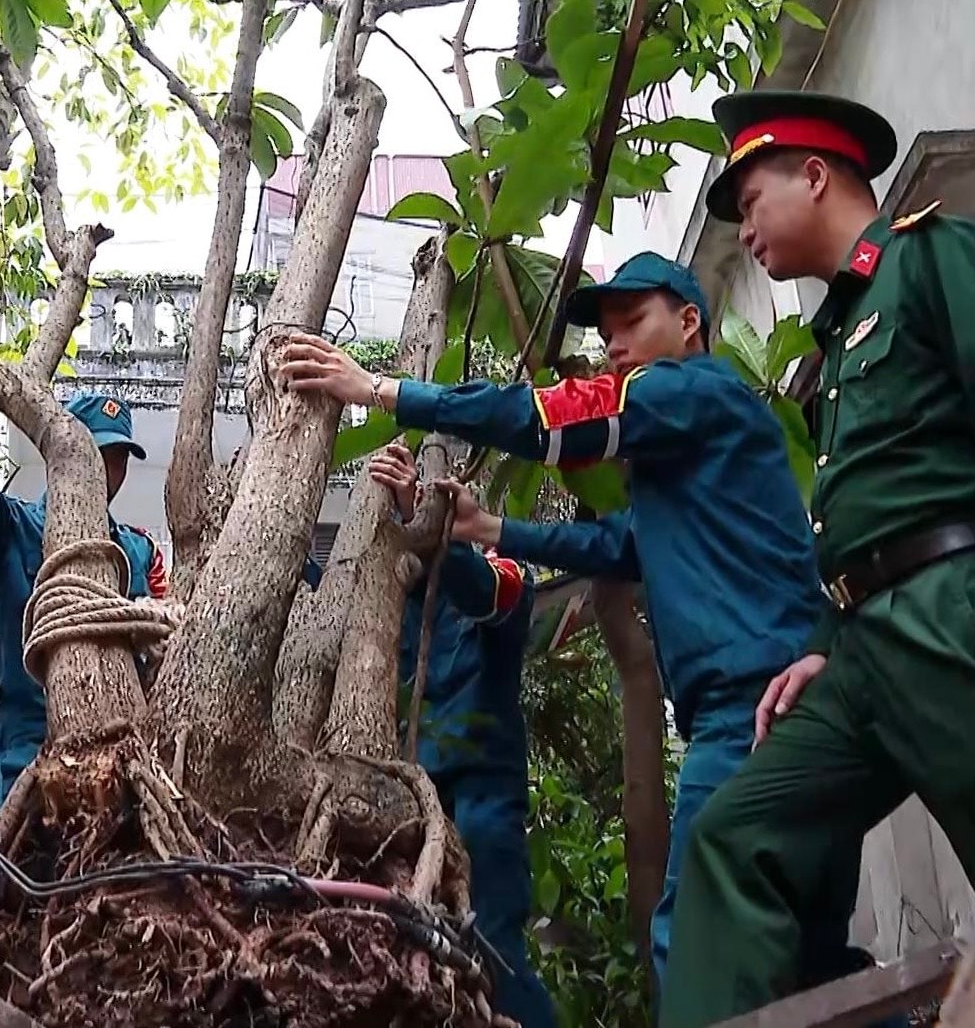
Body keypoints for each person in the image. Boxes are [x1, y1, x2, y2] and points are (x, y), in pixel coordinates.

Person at [278, 252, 870, 996]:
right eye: (607, 333)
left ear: (690, 322)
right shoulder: (689, 459)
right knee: (809, 959)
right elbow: (618, 545)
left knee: (696, 942)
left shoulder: (687, 390)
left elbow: (543, 419)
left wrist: (379, 389)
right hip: (785, 698)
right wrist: (491, 526)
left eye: (633, 323)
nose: (615, 345)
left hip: (752, 704)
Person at [656, 91, 975, 1025]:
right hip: (860, 654)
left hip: (954, 623)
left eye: (751, 203)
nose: (745, 232)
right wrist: (823, 644)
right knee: (734, 838)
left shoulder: (934, 256)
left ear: (815, 175)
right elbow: (855, 521)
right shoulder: (835, 340)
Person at [0, 316, 168, 809]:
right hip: (30, 750)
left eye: (119, 457)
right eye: (96, 453)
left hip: (128, 754)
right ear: (62, 456)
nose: (108, 468)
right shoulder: (11, 528)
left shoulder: (138, 552)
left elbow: (164, 644)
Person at [361, 443, 557, 1028]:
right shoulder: (400, 591)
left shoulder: (503, 569)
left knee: (493, 948)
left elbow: (485, 592)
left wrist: (430, 525)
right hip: (413, 798)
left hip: (484, 796)